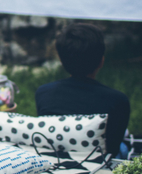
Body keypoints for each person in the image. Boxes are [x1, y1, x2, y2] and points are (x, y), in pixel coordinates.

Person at [35, 23, 130, 157]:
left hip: (58, 159)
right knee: (123, 147)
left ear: (62, 62)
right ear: (101, 61)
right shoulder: (118, 100)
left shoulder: (43, 93)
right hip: (99, 164)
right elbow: (112, 150)